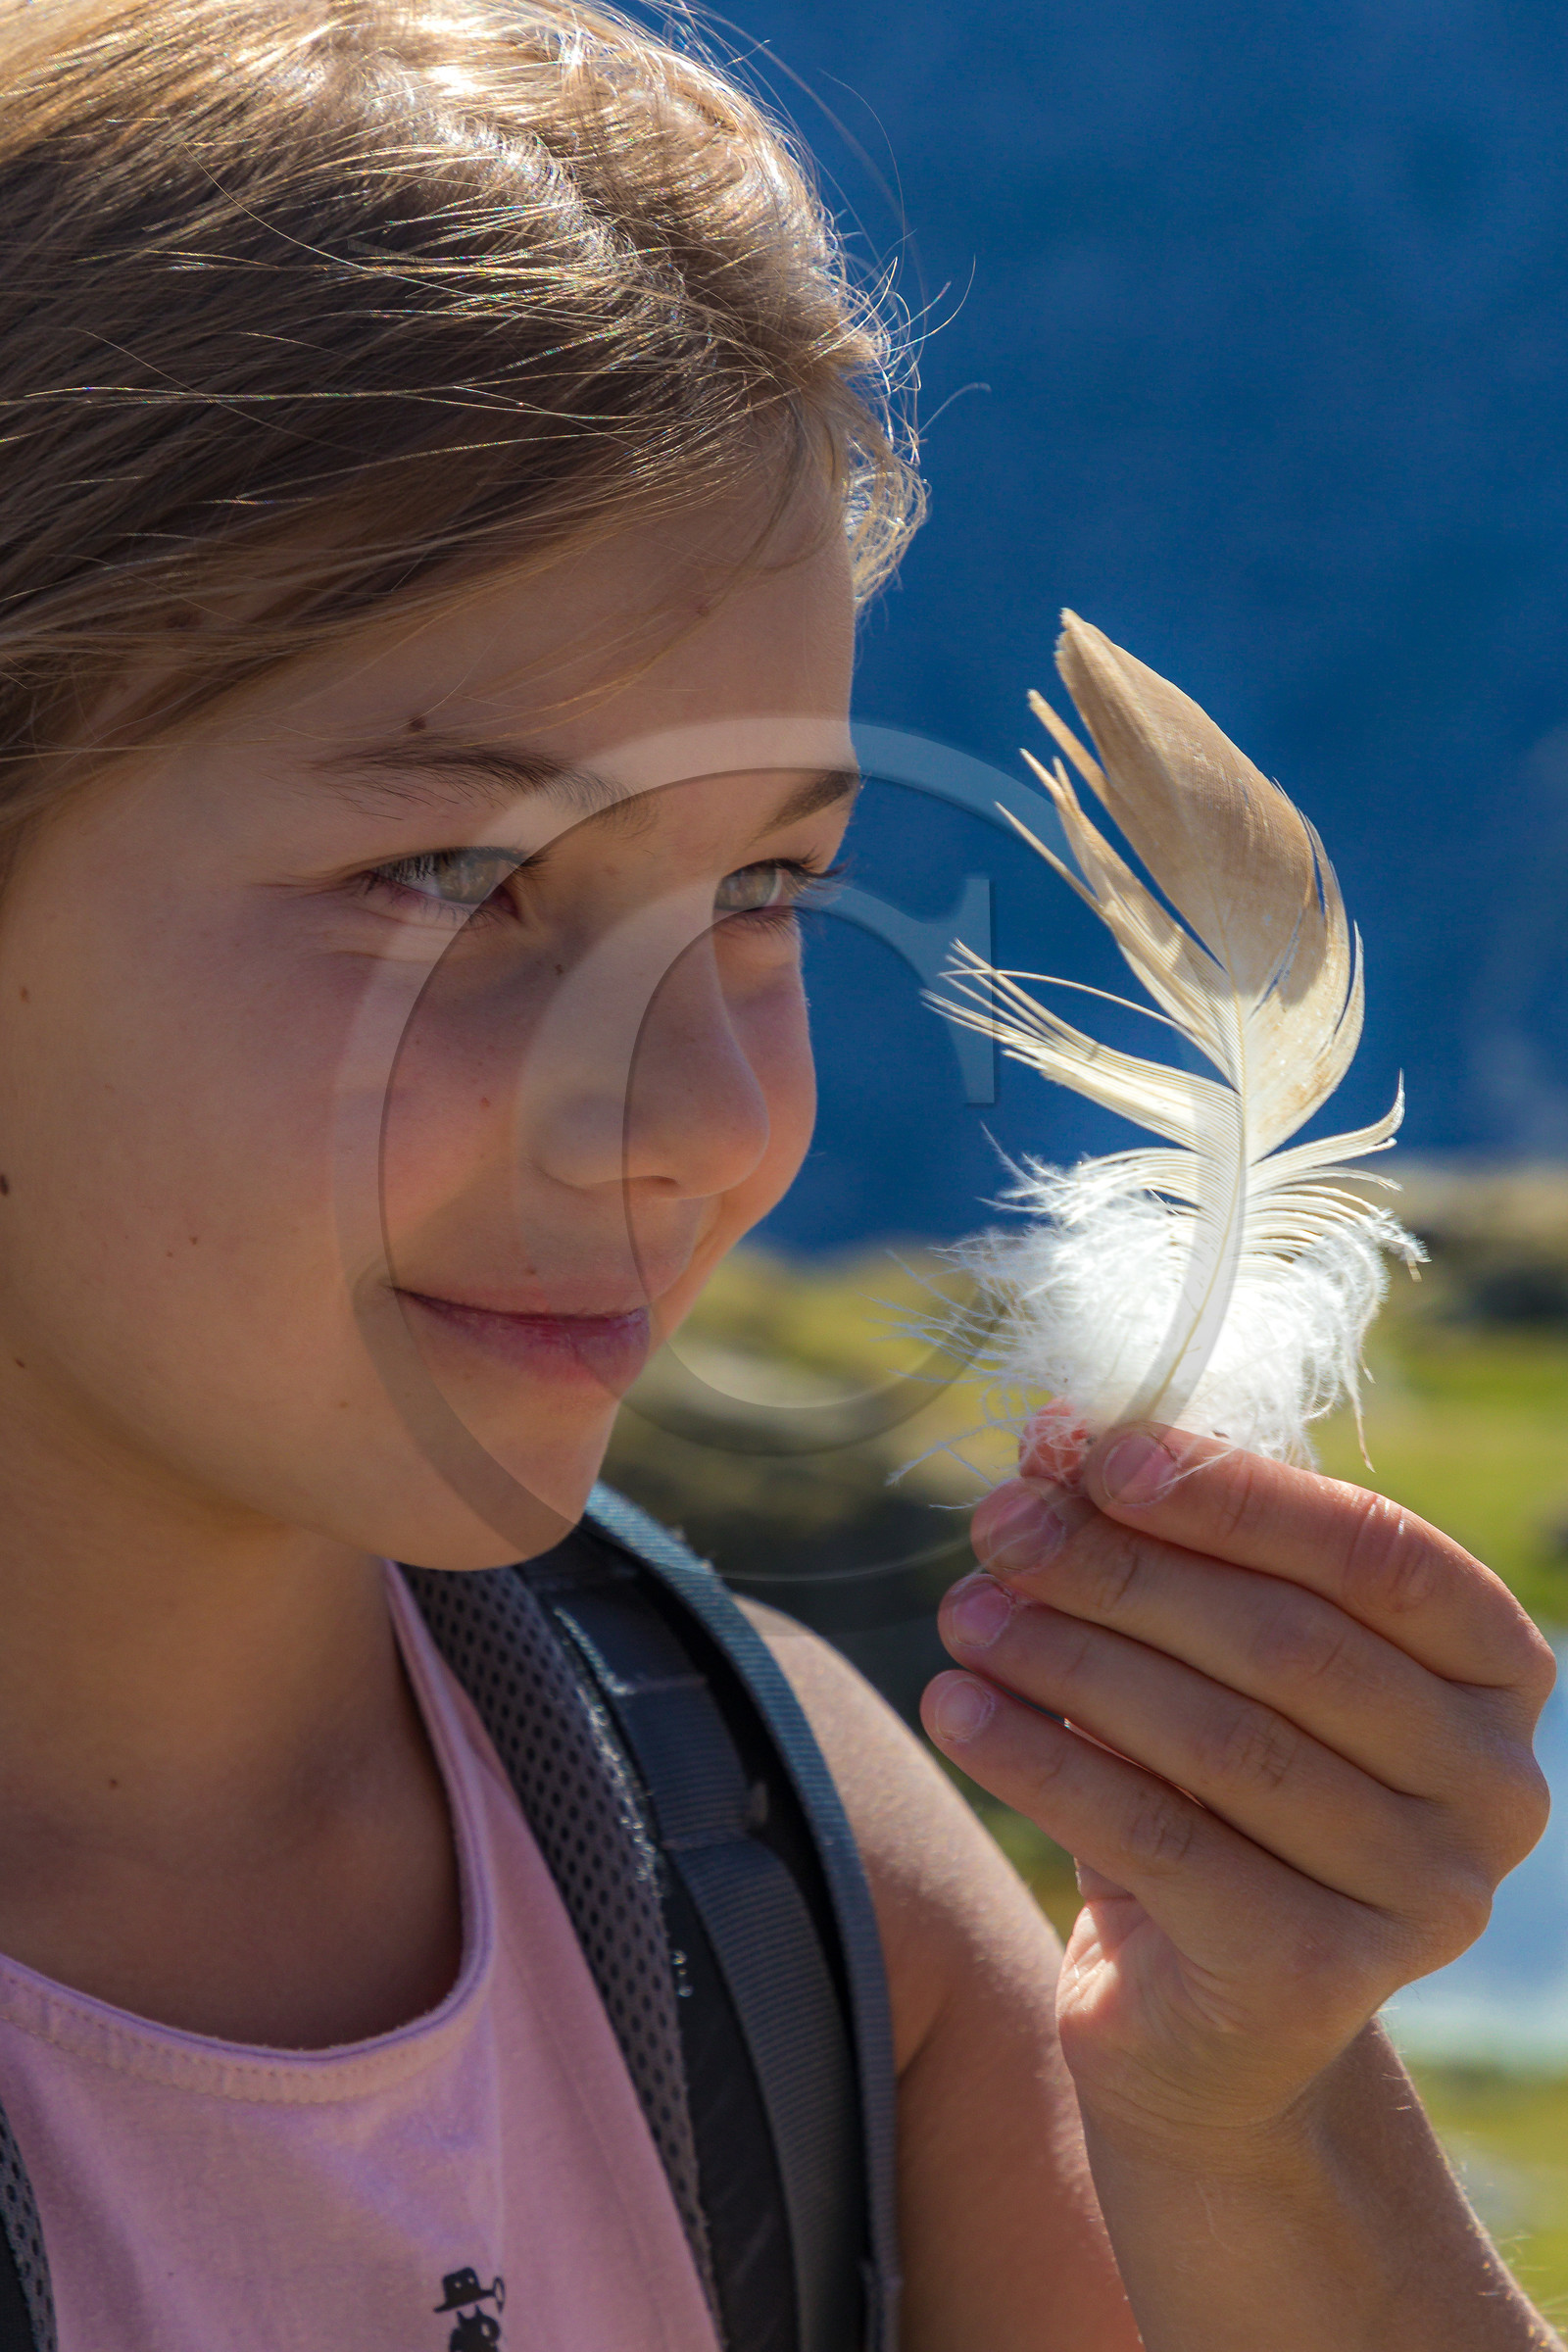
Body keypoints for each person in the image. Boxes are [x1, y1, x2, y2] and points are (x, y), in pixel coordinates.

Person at [0, 2, 1553, 2346]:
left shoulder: (767, 1867)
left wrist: (1261, 2127)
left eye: (763, 896)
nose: (701, 1120)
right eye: (442, 872)